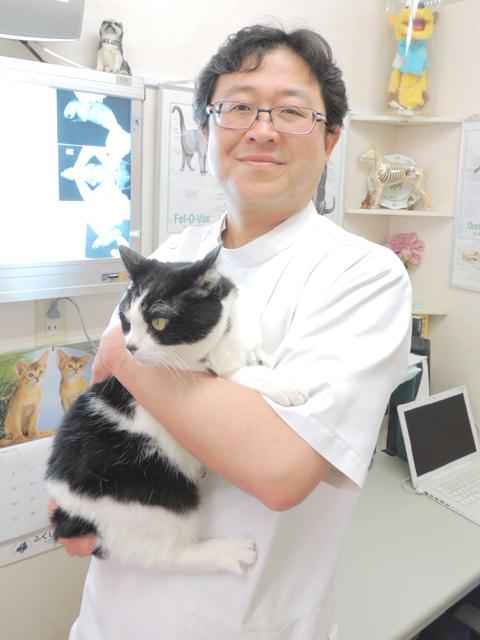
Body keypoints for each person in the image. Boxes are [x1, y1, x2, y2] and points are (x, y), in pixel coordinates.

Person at [56, 24, 412, 640]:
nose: (262, 128)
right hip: (109, 619)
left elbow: (279, 468)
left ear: (330, 140)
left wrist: (130, 354)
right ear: (206, 129)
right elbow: (101, 399)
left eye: (292, 112)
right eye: (239, 106)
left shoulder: (364, 275)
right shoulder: (176, 251)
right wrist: (76, 492)